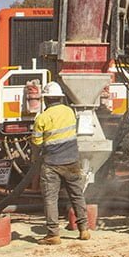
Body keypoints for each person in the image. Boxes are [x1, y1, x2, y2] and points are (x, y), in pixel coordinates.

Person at [32, 82, 89, 244]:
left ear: (45, 99)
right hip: (72, 161)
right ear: (60, 98)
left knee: (51, 199)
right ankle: (84, 230)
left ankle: (53, 234)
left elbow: (36, 142)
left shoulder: (42, 118)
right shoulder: (69, 112)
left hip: (52, 164)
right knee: (77, 195)